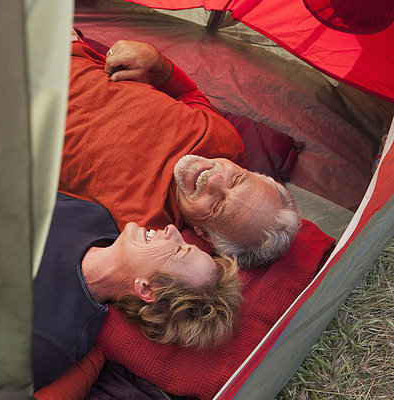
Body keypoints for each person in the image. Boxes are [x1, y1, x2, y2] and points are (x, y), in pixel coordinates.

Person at [59, 36, 301, 268]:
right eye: (237, 179)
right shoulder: (225, 141)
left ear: (204, 234)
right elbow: (188, 95)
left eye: (217, 206)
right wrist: (155, 60)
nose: (213, 178)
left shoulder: (145, 229)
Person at [32, 192, 241, 390]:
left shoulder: (52, 343)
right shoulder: (95, 219)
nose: (172, 230)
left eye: (178, 250)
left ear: (147, 289)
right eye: (184, 242)